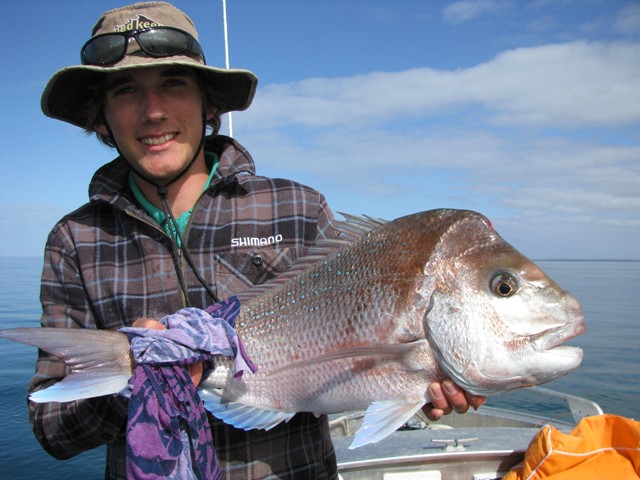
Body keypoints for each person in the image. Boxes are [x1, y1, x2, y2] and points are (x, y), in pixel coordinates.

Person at [31, 2, 485, 479]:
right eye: (125, 90)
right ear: (100, 117)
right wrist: (141, 378)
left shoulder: (298, 209)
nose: (154, 111)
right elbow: (52, 429)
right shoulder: (75, 239)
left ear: (209, 104)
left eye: (173, 83)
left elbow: (362, 355)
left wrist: (423, 381)